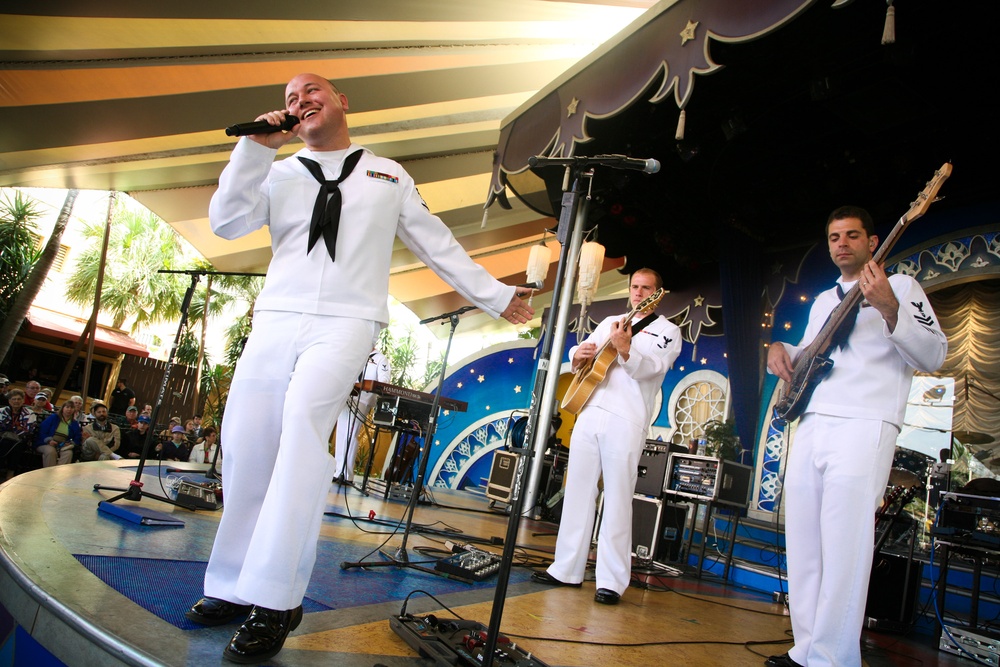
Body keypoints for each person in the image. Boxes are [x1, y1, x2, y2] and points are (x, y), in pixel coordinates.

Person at [184, 72, 533, 663]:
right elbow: (226, 222)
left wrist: (495, 295)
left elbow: (436, 242)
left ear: (343, 101)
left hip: (345, 322)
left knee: (299, 431)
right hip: (276, 319)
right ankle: (232, 584)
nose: (301, 102)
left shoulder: (387, 174)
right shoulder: (278, 171)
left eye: (312, 91)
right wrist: (253, 150)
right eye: (291, 98)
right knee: (246, 442)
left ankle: (275, 600)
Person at [765, 206, 947, 667]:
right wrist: (779, 349)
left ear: (872, 241)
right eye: (832, 237)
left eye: (851, 235)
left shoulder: (901, 286)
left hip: (865, 422)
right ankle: (806, 648)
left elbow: (933, 354)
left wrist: (887, 304)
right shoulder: (824, 299)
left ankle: (834, 657)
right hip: (813, 421)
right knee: (805, 545)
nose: (841, 243)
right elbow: (810, 352)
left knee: (844, 546)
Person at [532, 268, 681, 605]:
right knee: (578, 491)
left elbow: (654, 369)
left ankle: (611, 581)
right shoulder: (610, 321)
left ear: (658, 293)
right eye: (635, 287)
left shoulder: (668, 331)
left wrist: (627, 350)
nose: (639, 293)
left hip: (627, 419)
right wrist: (576, 355)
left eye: (646, 288)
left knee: (617, 497)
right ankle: (566, 568)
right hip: (589, 409)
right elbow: (581, 354)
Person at [334, 346, 390, 483]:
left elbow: (384, 382)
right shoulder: (355, 354)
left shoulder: (380, 359)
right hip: (347, 396)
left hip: (363, 399)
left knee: (350, 434)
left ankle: (346, 474)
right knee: (341, 433)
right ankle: (338, 471)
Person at [1, 388, 39, 478]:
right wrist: (18, 427)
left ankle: (10, 471)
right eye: (14, 399)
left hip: (21, 440)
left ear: (23, 401)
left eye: (19, 399)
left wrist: (10, 427)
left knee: (16, 446)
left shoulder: (29, 413)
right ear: (9, 401)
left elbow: (29, 430)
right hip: (3, 437)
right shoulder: (2, 411)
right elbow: (1, 427)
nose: (16, 401)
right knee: (5, 443)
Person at [35, 401, 82, 467]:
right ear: (62, 408)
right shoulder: (53, 418)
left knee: (68, 453)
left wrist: (71, 443)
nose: (69, 409)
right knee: (51, 451)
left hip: (62, 445)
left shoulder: (74, 423)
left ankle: (59, 474)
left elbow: (77, 437)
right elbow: (42, 431)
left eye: (71, 407)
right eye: (67, 407)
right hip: (46, 443)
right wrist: (49, 440)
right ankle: (49, 474)